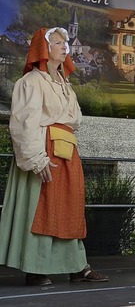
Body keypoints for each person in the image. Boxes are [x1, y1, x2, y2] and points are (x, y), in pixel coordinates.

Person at [0, 27, 108, 285]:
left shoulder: (64, 83)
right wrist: (36, 158)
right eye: (58, 42)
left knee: (68, 209)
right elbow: (24, 122)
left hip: (66, 150)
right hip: (43, 149)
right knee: (42, 209)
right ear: (44, 49)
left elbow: (74, 120)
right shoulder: (31, 81)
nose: (65, 46)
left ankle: (76, 265)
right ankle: (35, 267)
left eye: (65, 43)